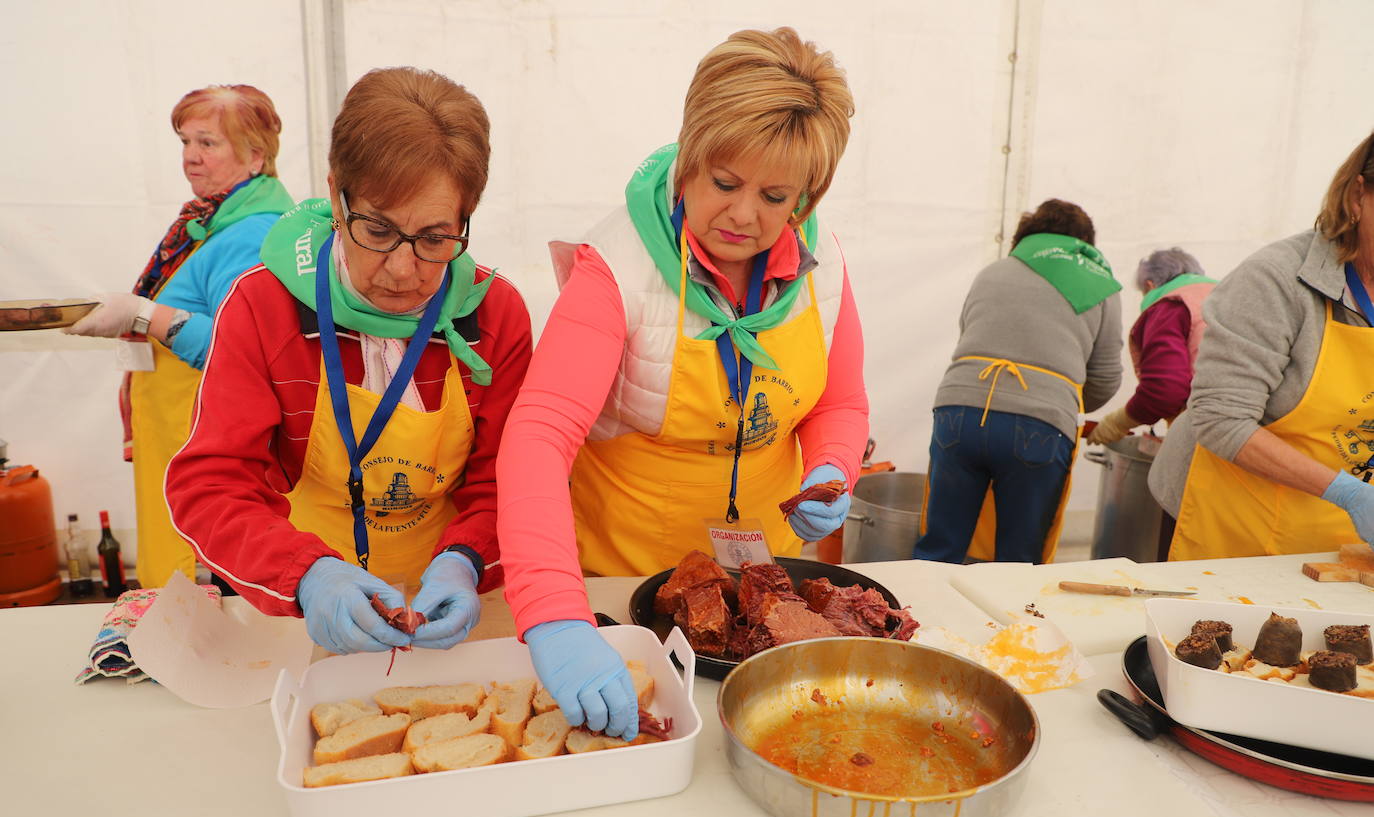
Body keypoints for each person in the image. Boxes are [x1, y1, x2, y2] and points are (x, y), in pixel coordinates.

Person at [496, 27, 867, 740]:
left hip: (759, 591)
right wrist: (554, 615)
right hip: (621, 582)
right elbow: (538, 437)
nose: (743, 215)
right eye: (724, 183)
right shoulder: (617, 267)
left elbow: (840, 402)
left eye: (775, 196)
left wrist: (832, 468)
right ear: (690, 157)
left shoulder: (830, 265)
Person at [165, 67, 531, 656]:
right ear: (337, 197)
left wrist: (467, 560)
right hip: (301, 604)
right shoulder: (265, 306)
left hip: (456, 607)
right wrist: (308, 576)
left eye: (435, 237)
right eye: (378, 229)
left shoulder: (495, 314)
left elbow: (507, 483)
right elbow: (212, 484)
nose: (402, 269)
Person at [64, 85, 293, 589]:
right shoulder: (209, 221)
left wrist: (143, 315)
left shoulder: (251, 234)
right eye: (185, 141)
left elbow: (240, 350)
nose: (190, 158)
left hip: (208, 447)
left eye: (208, 143)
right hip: (178, 440)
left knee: (204, 597)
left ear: (255, 156)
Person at [1150, 129, 1374, 560]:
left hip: (1338, 538)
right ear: (1358, 197)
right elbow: (1221, 418)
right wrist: (1350, 494)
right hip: (1232, 522)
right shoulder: (1275, 280)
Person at [914, 199, 1122, 564]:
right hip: (1040, 425)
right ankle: (1012, 623)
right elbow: (1105, 377)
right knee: (1019, 562)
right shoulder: (1101, 286)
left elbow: (968, 336)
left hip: (958, 410)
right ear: (1085, 246)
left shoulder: (993, 271)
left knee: (940, 549)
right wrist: (1057, 396)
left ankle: (920, 619)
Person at [1087, 247, 1215, 445]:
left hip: (1210, 431)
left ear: (1149, 286)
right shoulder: (1227, 296)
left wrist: (1118, 422)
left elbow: (1165, 390)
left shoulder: (1170, 307)